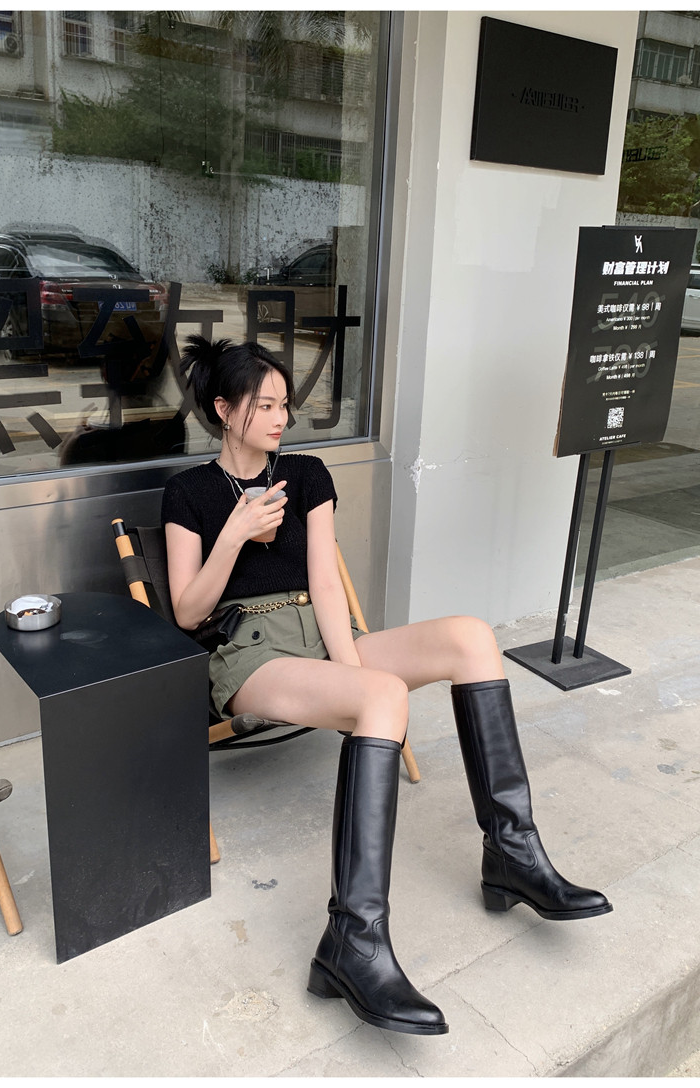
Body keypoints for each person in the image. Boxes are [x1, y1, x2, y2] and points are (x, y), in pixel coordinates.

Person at [161, 334, 612, 1038]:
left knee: (471, 637)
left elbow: (326, 586)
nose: (282, 418)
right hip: (249, 652)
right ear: (223, 410)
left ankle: (513, 853)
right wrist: (235, 533)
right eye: (265, 405)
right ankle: (353, 939)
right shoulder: (188, 492)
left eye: (285, 404)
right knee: (382, 697)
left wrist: (351, 668)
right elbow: (188, 612)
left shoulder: (306, 475)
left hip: (322, 635)